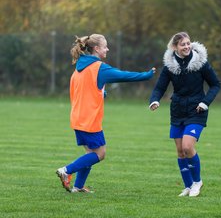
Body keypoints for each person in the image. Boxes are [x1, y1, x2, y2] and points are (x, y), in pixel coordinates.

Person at [56, 34, 156, 193]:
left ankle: (78, 186)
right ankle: (66, 171)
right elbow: (124, 76)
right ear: (96, 48)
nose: (107, 49)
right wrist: (146, 75)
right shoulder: (98, 67)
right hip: (89, 120)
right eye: (105, 46)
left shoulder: (79, 68)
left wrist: (101, 93)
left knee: (90, 153)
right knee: (100, 154)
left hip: (77, 118)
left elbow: (82, 92)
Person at [149, 32, 221, 197]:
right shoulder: (170, 66)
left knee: (188, 147)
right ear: (175, 47)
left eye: (188, 43)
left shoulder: (201, 63)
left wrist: (205, 102)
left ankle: (197, 182)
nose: (187, 47)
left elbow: (216, 85)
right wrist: (155, 100)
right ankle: (188, 186)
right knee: (180, 151)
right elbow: (160, 87)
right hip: (177, 111)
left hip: (197, 110)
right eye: (183, 44)